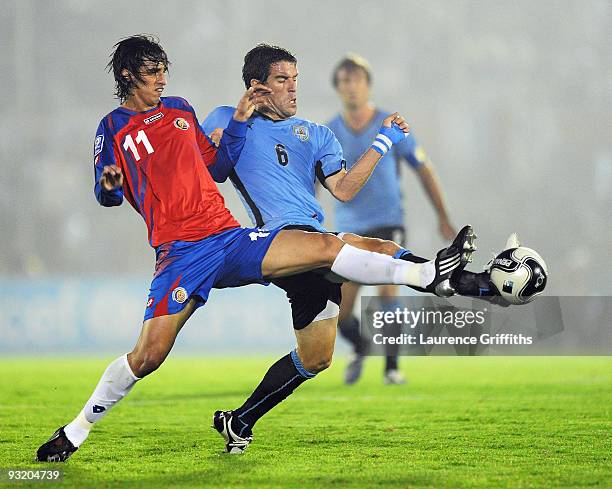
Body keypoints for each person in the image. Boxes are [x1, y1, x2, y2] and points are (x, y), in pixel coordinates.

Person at [36, 36, 477, 461]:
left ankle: (428, 275)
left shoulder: (180, 111)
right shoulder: (111, 127)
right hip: (180, 254)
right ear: (129, 75)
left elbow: (218, 167)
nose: (162, 80)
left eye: (164, 71)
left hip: (227, 237)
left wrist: (241, 123)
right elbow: (106, 193)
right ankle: (74, 433)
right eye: (153, 73)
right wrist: (110, 184)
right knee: (147, 357)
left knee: (326, 251)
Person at [200, 44, 489, 452]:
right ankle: (442, 275)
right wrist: (238, 122)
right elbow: (213, 170)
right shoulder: (226, 119)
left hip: (315, 249)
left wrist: (383, 140)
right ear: (257, 87)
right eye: (283, 81)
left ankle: (240, 421)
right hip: (276, 242)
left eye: (296, 80)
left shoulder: (317, 135)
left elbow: (345, 189)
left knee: (316, 357)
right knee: (357, 245)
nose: (293, 89)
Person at [326, 54, 458, 385]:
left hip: (387, 220)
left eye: (356, 80)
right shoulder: (329, 131)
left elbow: (423, 169)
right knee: (339, 314)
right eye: (344, 81)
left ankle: (391, 367)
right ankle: (360, 344)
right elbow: (314, 179)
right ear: (338, 88)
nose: (351, 87)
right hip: (349, 226)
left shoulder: (391, 124)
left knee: (388, 290)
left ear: (367, 85)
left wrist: (442, 216)